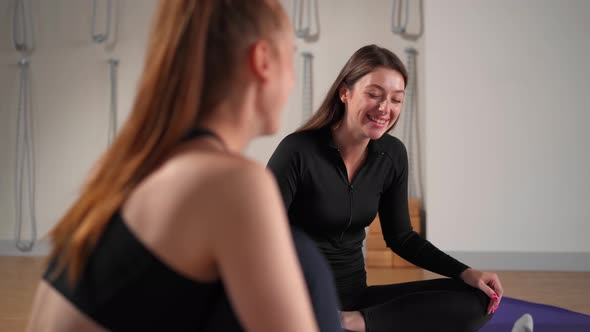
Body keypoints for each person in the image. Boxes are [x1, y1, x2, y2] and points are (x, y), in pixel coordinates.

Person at [26, 1, 342, 331]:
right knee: (302, 260)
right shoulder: (232, 182)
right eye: (289, 56)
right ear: (263, 60)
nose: (292, 82)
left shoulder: (140, 166)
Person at [267, 44, 504, 332]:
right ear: (345, 93)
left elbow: (401, 237)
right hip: (301, 302)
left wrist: (466, 272)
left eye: (396, 99)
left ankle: (353, 323)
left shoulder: (392, 154)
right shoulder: (298, 151)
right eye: (374, 95)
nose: (385, 108)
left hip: (355, 301)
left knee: (478, 298)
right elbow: (262, 238)